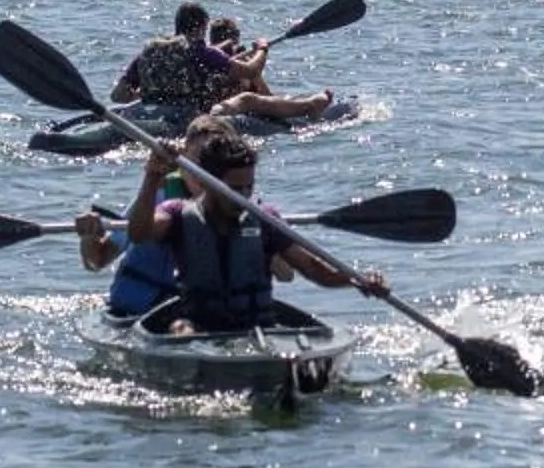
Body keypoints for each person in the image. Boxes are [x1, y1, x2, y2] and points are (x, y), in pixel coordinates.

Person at [127, 130, 385, 332]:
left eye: (248, 187)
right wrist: (152, 178)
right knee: (179, 327)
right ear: (206, 180)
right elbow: (139, 234)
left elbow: (314, 269)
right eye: (234, 189)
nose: (243, 197)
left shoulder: (264, 220)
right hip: (196, 327)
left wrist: (356, 279)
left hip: (258, 328)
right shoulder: (178, 214)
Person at [74, 113, 232, 316]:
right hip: (135, 313)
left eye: (217, 161)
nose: (207, 171)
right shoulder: (156, 196)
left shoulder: (241, 204)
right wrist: (88, 236)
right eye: (200, 159)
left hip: (203, 316)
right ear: (183, 157)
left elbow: (284, 272)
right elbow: (97, 260)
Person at [199, 15, 336, 122]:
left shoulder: (207, 62)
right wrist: (261, 49)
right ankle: (311, 105)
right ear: (237, 36)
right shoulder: (244, 64)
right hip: (237, 112)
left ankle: (307, 103)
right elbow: (267, 96)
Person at [112, 1, 233, 114]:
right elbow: (246, 71)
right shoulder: (203, 52)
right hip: (185, 118)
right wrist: (253, 54)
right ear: (201, 27)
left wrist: (143, 95)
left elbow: (118, 96)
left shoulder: (152, 51)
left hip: (148, 112)